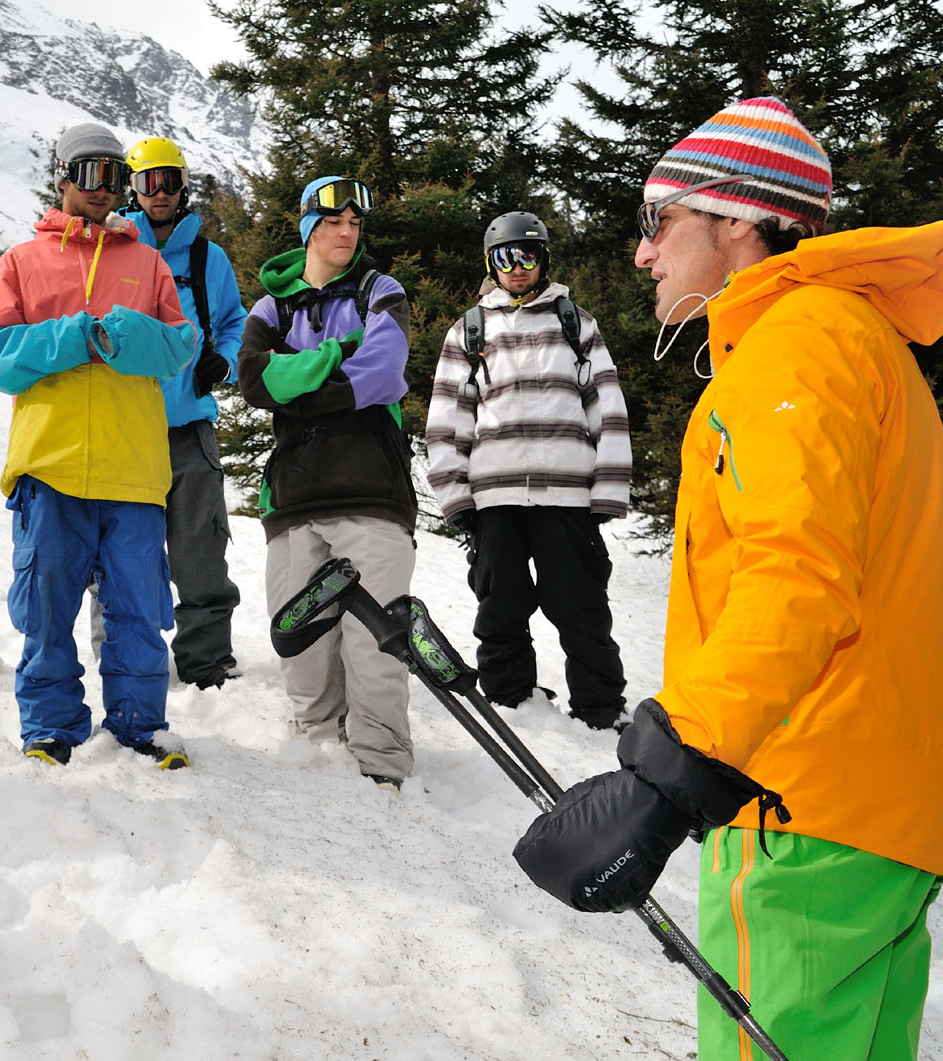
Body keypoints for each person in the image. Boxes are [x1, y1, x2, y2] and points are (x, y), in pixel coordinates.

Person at [512, 96, 943, 1061]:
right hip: (875, 808)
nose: (641, 252)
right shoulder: (850, 338)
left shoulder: (794, 345)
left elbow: (798, 579)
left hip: (802, 804)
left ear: (736, 221)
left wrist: (672, 764)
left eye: (659, 221)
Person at [0, 123, 199, 769]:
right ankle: (50, 726)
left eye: (115, 176)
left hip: (133, 468)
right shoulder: (21, 263)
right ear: (63, 176)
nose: (103, 189)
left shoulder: (147, 263)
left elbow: (180, 347)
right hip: (51, 465)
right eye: (91, 173)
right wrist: (73, 337)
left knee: (138, 609)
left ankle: (141, 723)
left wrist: (122, 334)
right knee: (46, 609)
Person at [236, 176, 416, 789]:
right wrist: (339, 354)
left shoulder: (379, 290)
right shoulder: (271, 307)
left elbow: (384, 373)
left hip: (372, 490)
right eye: (334, 222)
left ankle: (383, 767)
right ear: (309, 227)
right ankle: (315, 757)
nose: (347, 233)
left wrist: (298, 388)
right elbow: (254, 379)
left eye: (355, 224)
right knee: (300, 640)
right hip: (294, 497)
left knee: (376, 642)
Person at [425, 210, 630, 730]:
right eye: (506, 257)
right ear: (490, 264)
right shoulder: (471, 330)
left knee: (581, 605)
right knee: (501, 604)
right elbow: (447, 418)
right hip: (495, 497)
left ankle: (601, 709)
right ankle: (510, 700)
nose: (518, 267)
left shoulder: (576, 324)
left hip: (568, 495)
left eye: (529, 255)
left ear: (544, 260)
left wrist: (608, 488)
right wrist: (455, 495)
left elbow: (606, 407)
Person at [110, 135, 247, 689]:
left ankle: (206, 663)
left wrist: (225, 360)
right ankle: (129, 658)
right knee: (125, 553)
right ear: (133, 189)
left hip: (189, 425)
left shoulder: (207, 257)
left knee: (200, 549)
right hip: (125, 427)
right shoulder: (115, 249)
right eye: (149, 182)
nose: (160, 192)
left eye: (169, 180)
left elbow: (235, 321)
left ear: (183, 185)